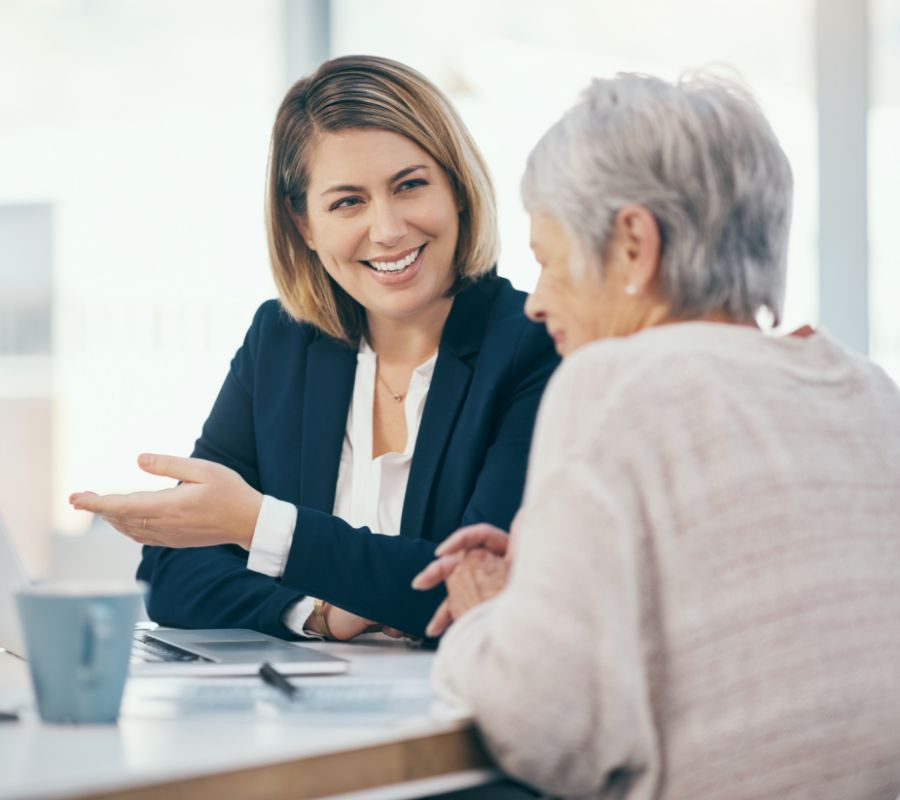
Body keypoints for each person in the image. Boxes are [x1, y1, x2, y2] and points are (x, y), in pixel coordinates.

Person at [414, 73, 900, 798]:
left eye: (548, 260)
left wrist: (489, 619)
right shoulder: (870, 394)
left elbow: (541, 725)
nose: (537, 302)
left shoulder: (613, 383)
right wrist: (557, 577)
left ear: (635, 245)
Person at [69, 55, 558, 642]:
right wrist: (317, 613)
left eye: (410, 185)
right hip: (308, 719)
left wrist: (257, 526)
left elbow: (478, 586)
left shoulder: (535, 344)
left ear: (456, 187)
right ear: (304, 225)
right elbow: (173, 568)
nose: (388, 230)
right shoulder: (282, 342)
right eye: (347, 202)